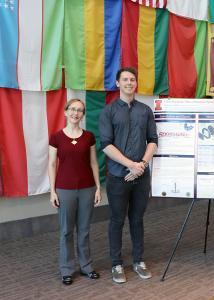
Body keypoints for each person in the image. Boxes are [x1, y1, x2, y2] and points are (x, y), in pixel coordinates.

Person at [99, 67, 158, 284]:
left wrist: (141, 164)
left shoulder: (145, 110)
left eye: (132, 79)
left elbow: (153, 140)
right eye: (125, 79)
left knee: (137, 219)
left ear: (136, 83)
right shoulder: (108, 111)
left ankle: (138, 260)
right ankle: (116, 264)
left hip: (141, 176)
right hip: (117, 176)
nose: (129, 83)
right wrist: (130, 165)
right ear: (117, 83)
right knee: (116, 220)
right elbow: (105, 145)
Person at [48, 99, 102, 285]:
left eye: (79, 110)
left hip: (87, 189)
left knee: (84, 230)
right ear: (65, 112)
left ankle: (86, 266)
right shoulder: (56, 137)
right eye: (72, 109)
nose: (75, 113)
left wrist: (98, 187)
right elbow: (52, 164)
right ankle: (67, 269)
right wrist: (52, 191)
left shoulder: (89, 137)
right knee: (66, 231)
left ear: (83, 114)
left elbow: (94, 163)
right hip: (64, 190)